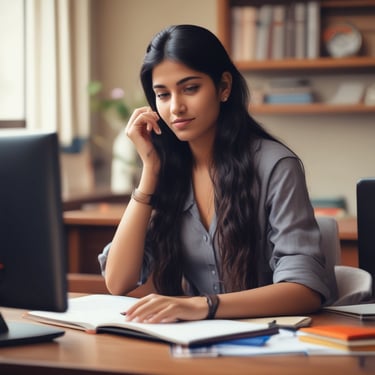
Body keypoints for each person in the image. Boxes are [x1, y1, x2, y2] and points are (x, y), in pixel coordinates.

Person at [98, 24, 337, 323]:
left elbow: (304, 290)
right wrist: (150, 171)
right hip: (196, 344)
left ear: (224, 87)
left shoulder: (275, 166)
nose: (176, 107)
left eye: (190, 88)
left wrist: (203, 305)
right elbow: (118, 281)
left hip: (271, 342)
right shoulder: (168, 171)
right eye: (163, 95)